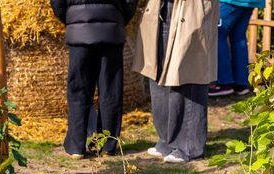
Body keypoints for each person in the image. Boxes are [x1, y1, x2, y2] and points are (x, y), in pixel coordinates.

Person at [133, 0, 219, 163]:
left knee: (188, 76)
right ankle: (166, 141)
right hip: (163, 9)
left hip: (192, 11)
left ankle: (188, 147)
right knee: (158, 73)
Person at [50, 0, 138, 158]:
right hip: (111, 27)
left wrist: (72, 18)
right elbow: (130, 2)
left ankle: (76, 146)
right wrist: (117, 17)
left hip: (79, 27)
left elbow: (58, 4)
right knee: (110, 90)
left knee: (78, 89)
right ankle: (107, 145)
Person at [208, 0, 265, 97]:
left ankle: (224, 83)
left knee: (217, 34)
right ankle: (241, 84)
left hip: (231, 2)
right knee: (238, 38)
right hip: (250, 2)